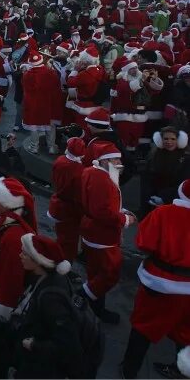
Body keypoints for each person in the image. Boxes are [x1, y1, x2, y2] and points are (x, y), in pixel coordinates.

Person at [121, 179, 190, 379]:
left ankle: (129, 370)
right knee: (185, 333)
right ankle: (182, 369)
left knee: (143, 328)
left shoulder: (163, 214)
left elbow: (144, 243)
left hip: (160, 285)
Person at [0, 176, 37, 379]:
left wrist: (2, 307)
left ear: (7, 203)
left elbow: (12, 277)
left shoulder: (12, 236)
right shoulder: (5, 223)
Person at [12, 233, 85, 378]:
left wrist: (34, 346)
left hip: (42, 368)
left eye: (25, 253)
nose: (20, 255)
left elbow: (65, 344)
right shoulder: (43, 276)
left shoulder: (51, 298)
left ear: (39, 261)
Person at [80, 141, 135, 324]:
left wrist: (120, 210)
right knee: (109, 273)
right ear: (103, 161)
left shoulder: (94, 173)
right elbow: (102, 211)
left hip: (92, 231)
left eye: (118, 159)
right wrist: (125, 219)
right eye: (113, 159)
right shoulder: (103, 181)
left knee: (95, 272)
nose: (118, 162)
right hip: (102, 236)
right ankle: (84, 295)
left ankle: (96, 308)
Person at [48, 137, 86, 261]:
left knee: (61, 235)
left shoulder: (59, 161)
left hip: (57, 203)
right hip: (70, 209)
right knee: (69, 241)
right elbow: (78, 195)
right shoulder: (79, 171)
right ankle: (63, 265)